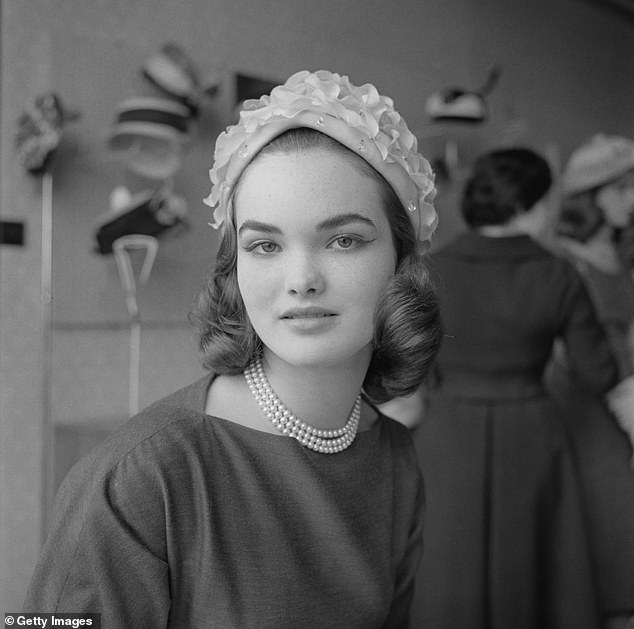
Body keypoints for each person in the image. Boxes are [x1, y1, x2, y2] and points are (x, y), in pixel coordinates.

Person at [23, 70, 443, 628]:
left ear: (401, 260)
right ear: (235, 267)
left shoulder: (393, 457)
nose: (301, 279)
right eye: (265, 245)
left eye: (343, 240)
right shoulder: (139, 477)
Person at [408, 147, 619, 629]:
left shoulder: (429, 270)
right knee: (533, 564)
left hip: (445, 433)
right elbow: (598, 374)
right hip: (533, 430)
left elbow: (404, 365)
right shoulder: (558, 273)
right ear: (538, 204)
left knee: (445, 566)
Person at [546, 134, 634, 629]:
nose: (633, 199)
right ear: (590, 196)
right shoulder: (565, 260)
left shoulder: (622, 255)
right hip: (582, 407)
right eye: (622, 189)